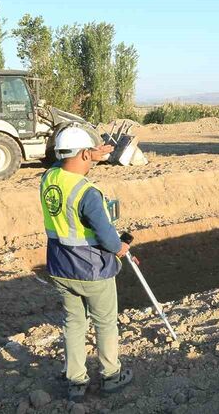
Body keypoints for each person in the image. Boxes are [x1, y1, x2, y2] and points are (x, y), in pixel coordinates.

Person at [40, 126, 134, 402]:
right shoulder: (87, 193)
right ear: (83, 153)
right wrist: (120, 248)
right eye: (90, 153)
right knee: (105, 324)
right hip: (92, 270)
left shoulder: (49, 178)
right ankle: (111, 376)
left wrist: (91, 152)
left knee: (73, 324)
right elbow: (107, 236)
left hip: (60, 266)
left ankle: (76, 382)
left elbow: (62, 162)